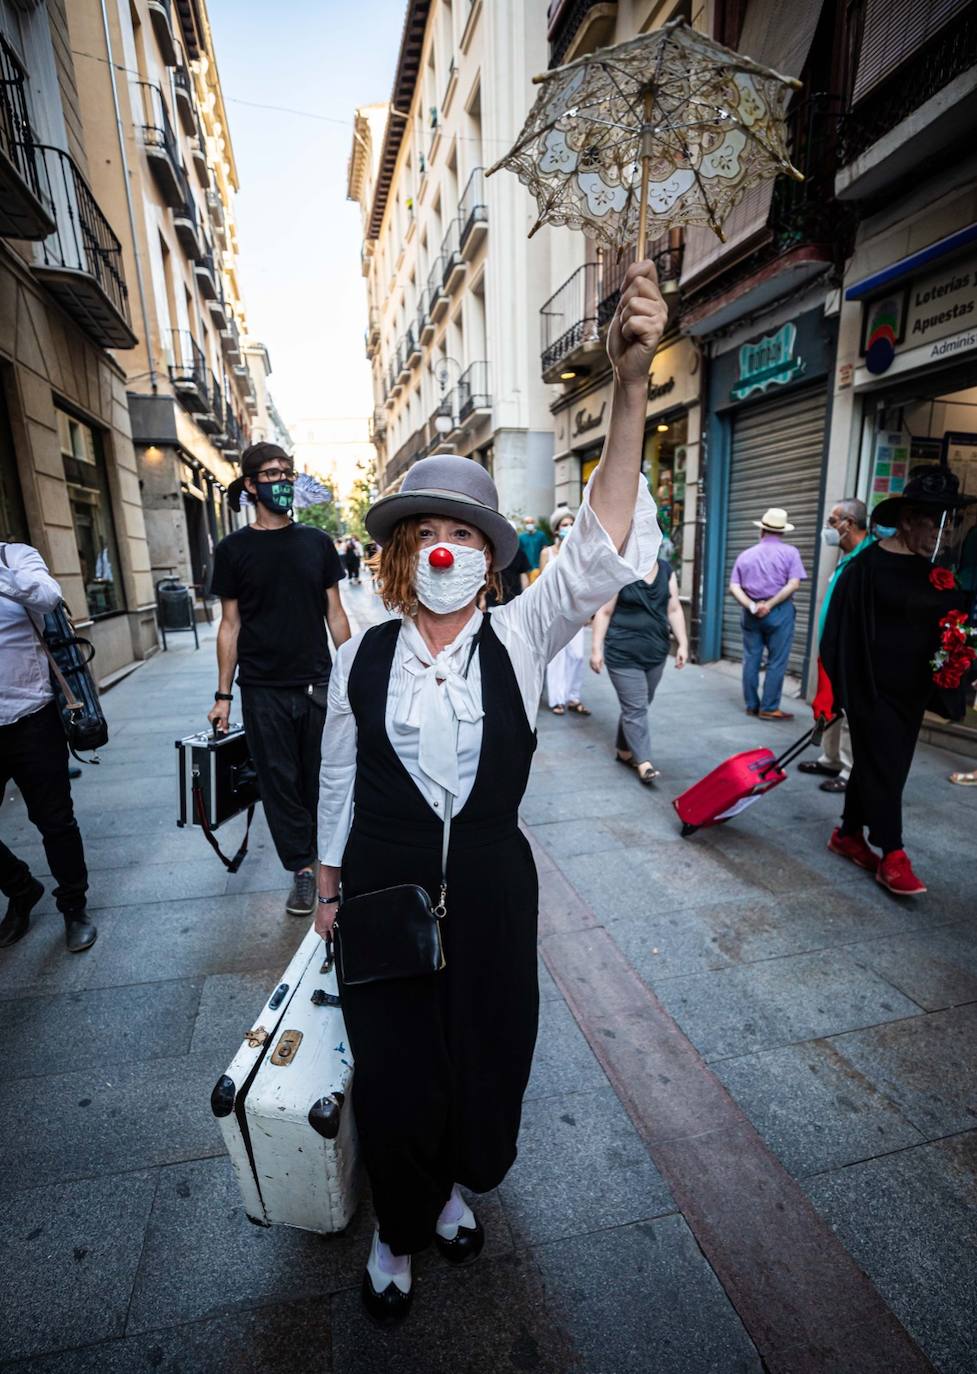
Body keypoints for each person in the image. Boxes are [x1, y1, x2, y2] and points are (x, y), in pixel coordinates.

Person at [315, 259, 667, 1325]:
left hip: (491, 894)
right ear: (395, 556)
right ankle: (397, 1225)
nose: (443, 548)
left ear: (489, 557)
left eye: (463, 533)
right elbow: (337, 769)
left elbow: (600, 549)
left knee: (485, 1056)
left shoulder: (518, 635)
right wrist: (324, 880)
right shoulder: (363, 656)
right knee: (393, 1072)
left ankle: (454, 1188)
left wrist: (633, 383)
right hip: (377, 895)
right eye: (424, 533)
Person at [815, 468, 976, 895]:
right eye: (933, 521)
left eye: (949, 521)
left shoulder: (935, 571)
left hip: (910, 693)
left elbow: (947, 624)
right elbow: (837, 633)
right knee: (885, 766)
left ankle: (848, 835)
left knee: (882, 764)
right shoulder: (865, 567)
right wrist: (844, 692)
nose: (941, 532)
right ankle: (893, 853)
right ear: (907, 520)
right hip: (870, 689)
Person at [208, 443, 351, 918]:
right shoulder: (232, 551)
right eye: (271, 473)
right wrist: (223, 695)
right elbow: (230, 625)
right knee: (278, 785)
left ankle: (332, 861)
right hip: (262, 688)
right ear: (250, 485)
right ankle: (302, 871)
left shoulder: (316, 543)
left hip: (317, 684)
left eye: (287, 472)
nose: (282, 480)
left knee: (323, 779)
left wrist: (351, 672)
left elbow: (336, 612)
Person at [0, 541, 97, 952]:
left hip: (32, 718)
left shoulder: (15, 558)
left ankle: (73, 908)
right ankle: (22, 888)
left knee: (55, 821)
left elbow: (47, 596)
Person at [589, 555, 688, 783]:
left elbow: (673, 609)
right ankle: (643, 762)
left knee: (639, 705)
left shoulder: (665, 569)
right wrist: (596, 649)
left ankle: (624, 750)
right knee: (636, 707)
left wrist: (682, 643)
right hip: (622, 651)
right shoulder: (621, 568)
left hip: (656, 652)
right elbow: (604, 612)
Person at [798, 499, 872, 795]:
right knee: (827, 705)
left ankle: (849, 768)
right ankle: (830, 758)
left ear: (848, 524)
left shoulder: (866, 559)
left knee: (850, 712)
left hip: (848, 651)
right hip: (830, 648)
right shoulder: (847, 555)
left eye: (832, 521)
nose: (828, 528)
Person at [729, 508, 807, 720]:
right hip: (780, 612)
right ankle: (769, 707)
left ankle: (752, 705)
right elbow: (794, 584)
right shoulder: (791, 553)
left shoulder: (745, 555)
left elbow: (734, 586)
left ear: (762, 529)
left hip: (751, 613)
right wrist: (770, 604)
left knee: (751, 658)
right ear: (782, 532)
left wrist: (753, 606)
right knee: (777, 661)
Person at [541, 507, 590, 715]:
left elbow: (585, 582)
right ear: (556, 529)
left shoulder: (578, 552)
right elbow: (541, 583)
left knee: (577, 656)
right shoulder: (547, 552)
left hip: (575, 610)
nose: (568, 528)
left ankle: (573, 696)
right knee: (557, 657)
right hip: (553, 611)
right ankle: (557, 699)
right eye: (564, 525)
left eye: (571, 524)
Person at [518, 515, 548, 583]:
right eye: (527, 522)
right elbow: (519, 553)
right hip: (525, 569)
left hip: (537, 567)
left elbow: (545, 549)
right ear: (524, 524)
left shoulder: (541, 535)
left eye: (531, 522)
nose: (530, 524)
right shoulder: (521, 537)